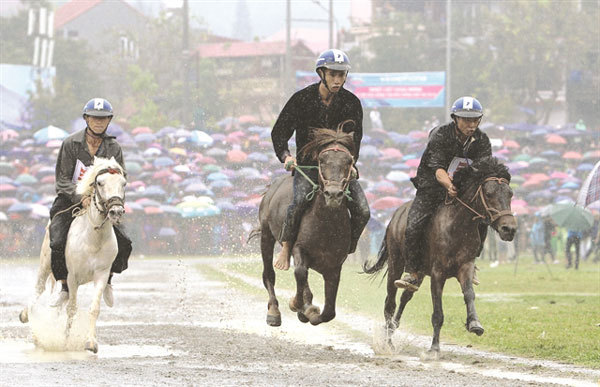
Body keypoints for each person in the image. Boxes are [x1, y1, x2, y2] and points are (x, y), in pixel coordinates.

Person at [271, 49, 370, 270]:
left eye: (342, 75)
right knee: (297, 203)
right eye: (333, 74)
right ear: (321, 73)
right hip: (308, 167)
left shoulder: (352, 103)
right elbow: (279, 132)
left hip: (339, 170)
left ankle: (348, 245)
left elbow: (357, 139)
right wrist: (286, 156)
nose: (337, 80)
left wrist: (352, 163)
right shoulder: (301, 99)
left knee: (363, 210)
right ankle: (286, 248)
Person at [396, 96, 492, 291]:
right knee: (414, 224)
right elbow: (438, 170)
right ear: (455, 118)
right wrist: (449, 186)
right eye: (466, 120)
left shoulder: (482, 141)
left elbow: (484, 169)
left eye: (475, 120)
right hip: (432, 186)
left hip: (462, 190)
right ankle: (413, 272)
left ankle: (471, 262)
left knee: (483, 219)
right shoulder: (440, 135)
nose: (471, 124)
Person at [49, 98, 132, 307]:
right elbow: (62, 179)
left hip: (102, 203)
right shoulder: (70, 144)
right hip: (70, 199)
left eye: (103, 118)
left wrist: (111, 200)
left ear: (109, 121)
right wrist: (80, 197)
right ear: (86, 118)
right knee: (57, 238)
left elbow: (121, 177)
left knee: (124, 241)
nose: (98, 122)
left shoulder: (114, 147)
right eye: (94, 118)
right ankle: (64, 286)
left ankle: (108, 279)